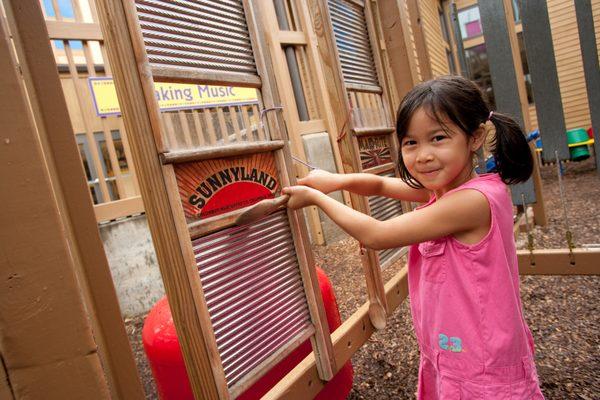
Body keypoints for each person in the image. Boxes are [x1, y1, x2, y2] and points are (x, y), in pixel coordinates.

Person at [282, 76, 545, 399]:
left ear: (474, 137)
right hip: (456, 351)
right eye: (411, 143)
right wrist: (333, 181)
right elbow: (380, 186)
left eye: (438, 138)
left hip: (480, 365)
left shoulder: (470, 202)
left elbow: (377, 235)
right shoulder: (446, 189)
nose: (423, 156)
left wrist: (315, 199)